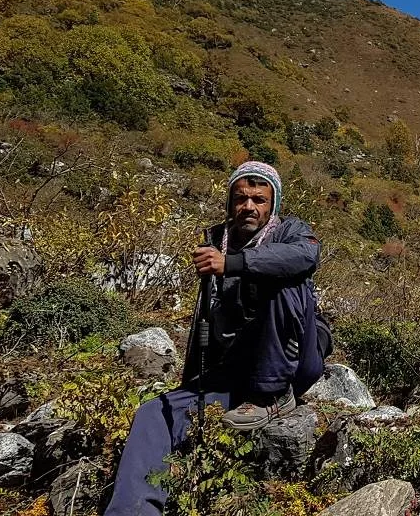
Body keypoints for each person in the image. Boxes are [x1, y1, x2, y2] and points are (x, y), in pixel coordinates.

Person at [105, 161, 326, 516]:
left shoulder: (290, 232)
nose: (249, 207)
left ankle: (272, 397)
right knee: (154, 414)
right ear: (230, 202)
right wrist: (193, 383)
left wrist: (234, 263)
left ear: (273, 205)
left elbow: (304, 257)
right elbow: (207, 316)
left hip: (290, 363)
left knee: (284, 281)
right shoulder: (215, 241)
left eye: (259, 199)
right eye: (241, 198)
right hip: (234, 367)